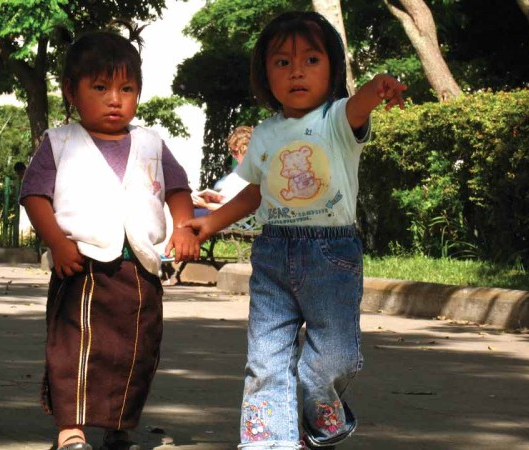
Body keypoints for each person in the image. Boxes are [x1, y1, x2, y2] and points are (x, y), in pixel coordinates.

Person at [182, 11, 406, 450]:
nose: (297, 70)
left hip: (332, 259)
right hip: (272, 258)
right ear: (265, 75)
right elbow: (253, 193)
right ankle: (270, 442)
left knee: (331, 362)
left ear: (333, 69)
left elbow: (360, 103)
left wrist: (378, 86)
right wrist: (208, 223)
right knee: (265, 362)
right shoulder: (265, 133)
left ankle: (317, 414)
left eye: (311, 60)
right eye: (282, 62)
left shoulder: (337, 119)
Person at [20, 24, 199, 450]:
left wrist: (185, 228)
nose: (115, 99)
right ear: (71, 90)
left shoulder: (151, 143)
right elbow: (34, 195)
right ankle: (72, 431)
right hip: (80, 266)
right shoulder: (59, 143)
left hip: (139, 269)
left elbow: (177, 190)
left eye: (127, 88)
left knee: (134, 353)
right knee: (75, 351)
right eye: (100, 87)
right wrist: (57, 244)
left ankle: (119, 428)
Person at [192, 125, 253, 216]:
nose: (233, 155)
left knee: (184, 216)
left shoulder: (253, 174)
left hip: (229, 218)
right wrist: (215, 198)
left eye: (235, 152)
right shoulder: (240, 169)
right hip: (219, 210)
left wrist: (205, 205)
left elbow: (236, 209)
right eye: (231, 151)